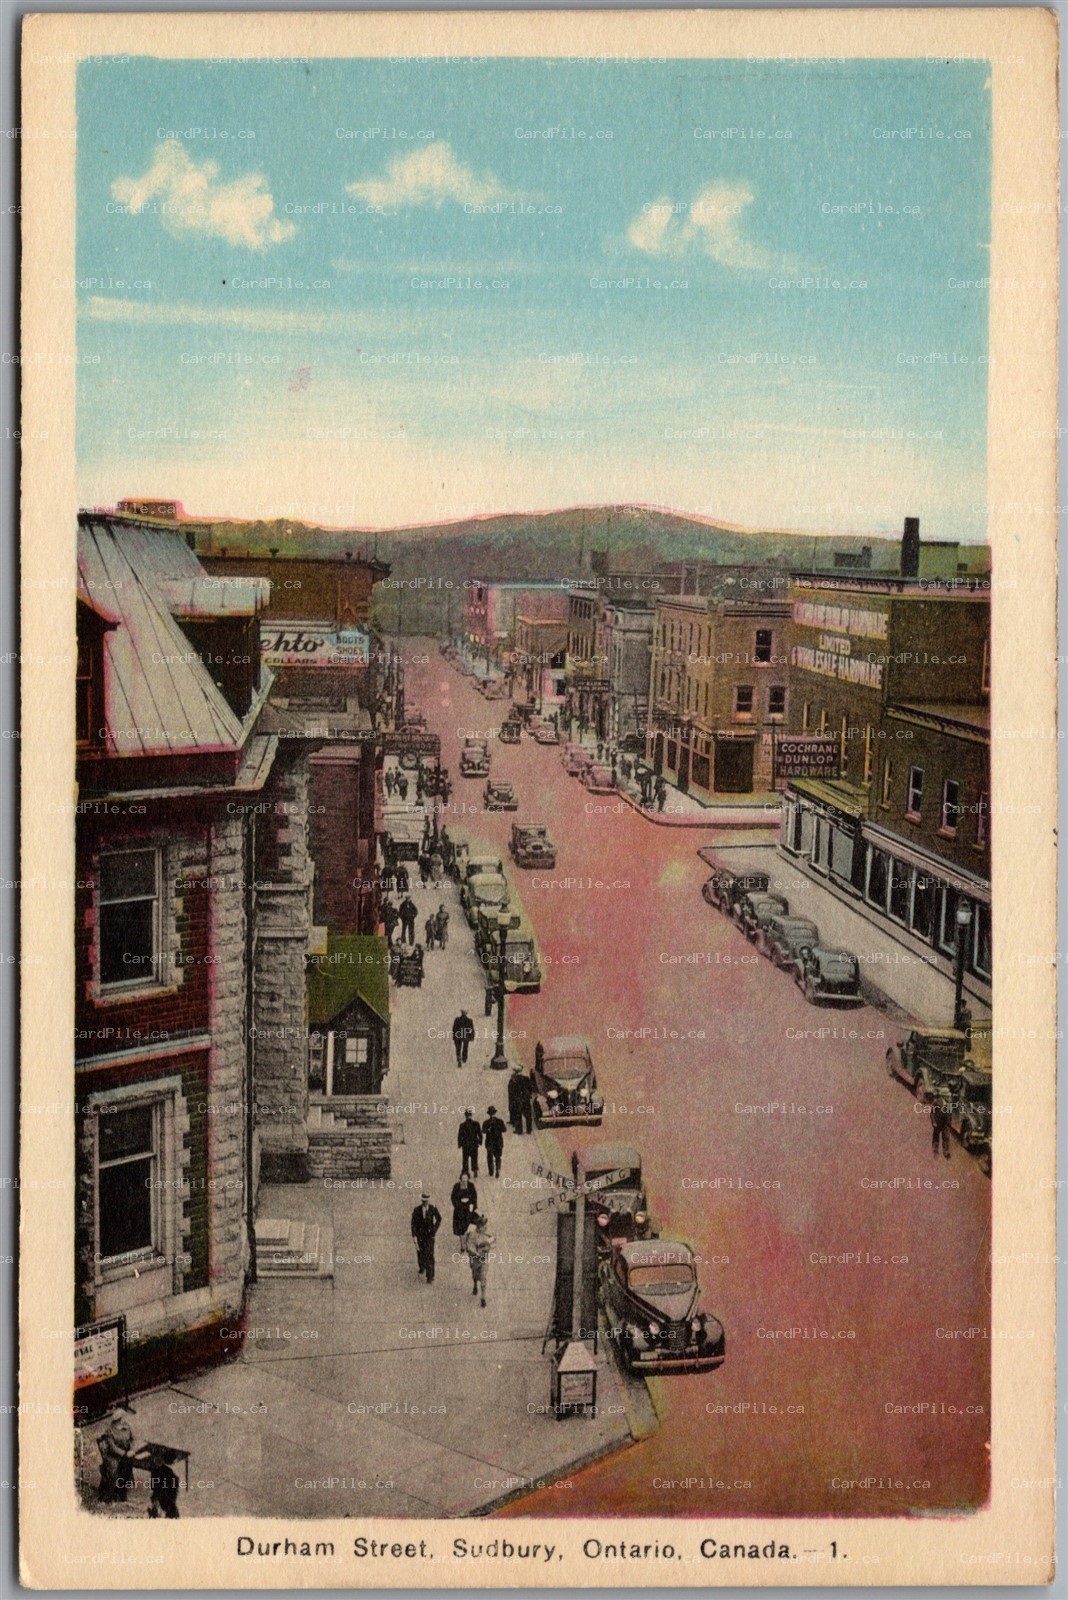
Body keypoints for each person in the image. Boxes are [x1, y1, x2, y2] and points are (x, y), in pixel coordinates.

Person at [97, 1411, 137, 1504]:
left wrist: (132, 1449)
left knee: (128, 1466)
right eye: (122, 1418)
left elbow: (133, 1439)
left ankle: (123, 1493)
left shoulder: (127, 1427)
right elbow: (112, 1447)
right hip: (113, 1456)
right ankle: (112, 1494)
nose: (124, 1420)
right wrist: (125, 1454)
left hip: (126, 1453)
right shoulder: (109, 1431)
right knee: (117, 1468)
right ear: (118, 1420)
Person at [463, 1213, 495, 1308]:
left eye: (486, 1226)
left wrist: (490, 1244)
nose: (485, 1228)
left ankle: (483, 1298)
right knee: (475, 1275)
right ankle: (475, 1285)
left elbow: (493, 1243)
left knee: (483, 1277)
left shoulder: (487, 1234)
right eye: (484, 1227)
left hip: (484, 1260)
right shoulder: (472, 1235)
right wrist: (476, 1253)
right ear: (479, 1226)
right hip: (475, 1260)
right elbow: (469, 1247)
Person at [410, 1191, 442, 1282]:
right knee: (420, 1252)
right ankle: (422, 1266)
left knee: (430, 1254)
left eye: (426, 1201)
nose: (425, 1202)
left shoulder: (433, 1208)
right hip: (420, 1235)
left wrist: (434, 1229)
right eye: (423, 1201)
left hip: (430, 1235)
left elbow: (439, 1219)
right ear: (421, 1200)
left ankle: (430, 1276)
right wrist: (414, 1235)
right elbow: (413, 1224)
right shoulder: (417, 1210)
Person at [450, 1172, 479, 1237]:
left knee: (469, 1226)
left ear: (468, 1178)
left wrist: (473, 1205)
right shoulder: (456, 1186)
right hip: (459, 1210)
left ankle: (467, 1241)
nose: (464, 1179)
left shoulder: (471, 1186)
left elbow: (474, 1196)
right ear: (460, 1178)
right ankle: (462, 1245)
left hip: (469, 1209)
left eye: (466, 1178)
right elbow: (453, 1197)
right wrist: (458, 1206)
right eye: (463, 1178)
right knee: (460, 1229)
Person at [507, 1064, 533, 1135]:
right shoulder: (526, 1078)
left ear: (515, 1072)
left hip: (517, 1100)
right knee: (528, 1115)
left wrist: (512, 1101)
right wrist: (529, 1095)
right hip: (526, 1099)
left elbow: (511, 1092)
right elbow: (530, 1088)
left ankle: (519, 1130)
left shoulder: (513, 1080)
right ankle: (529, 1129)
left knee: (518, 1115)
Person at [483, 1105, 507, 1178]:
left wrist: (488, 1129)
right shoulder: (500, 1121)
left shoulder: (486, 1122)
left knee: (490, 1157)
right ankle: (497, 1169)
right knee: (498, 1157)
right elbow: (504, 1129)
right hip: (498, 1142)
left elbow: (483, 1131)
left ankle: (491, 1171)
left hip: (490, 1142)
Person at [457, 1109, 483, 1176]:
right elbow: (480, 1134)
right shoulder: (476, 1124)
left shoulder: (462, 1125)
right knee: (474, 1157)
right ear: (471, 1115)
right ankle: (475, 1170)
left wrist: (460, 1144)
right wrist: (480, 1141)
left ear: (465, 1116)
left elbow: (460, 1136)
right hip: (474, 1144)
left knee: (465, 1158)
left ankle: (466, 1171)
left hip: (466, 1145)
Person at [930, 1088, 953, 1160]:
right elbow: (932, 1113)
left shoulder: (949, 1104)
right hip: (938, 1123)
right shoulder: (937, 1102)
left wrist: (949, 1123)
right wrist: (933, 1122)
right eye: (947, 1096)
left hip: (946, 1124)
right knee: (936, 1137)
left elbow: (950, 1114)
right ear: (943, 1096)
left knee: (946, 1137)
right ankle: (935, 1151)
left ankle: (946, 1152)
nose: (949, 1097)